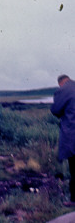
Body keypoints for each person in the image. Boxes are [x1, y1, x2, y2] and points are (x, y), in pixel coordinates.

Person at [51, 74, 75, 207]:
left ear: (60, 82)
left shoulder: (64, 89)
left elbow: (55, 110)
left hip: (73, 135)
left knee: (74, 168)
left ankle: (74, 200)